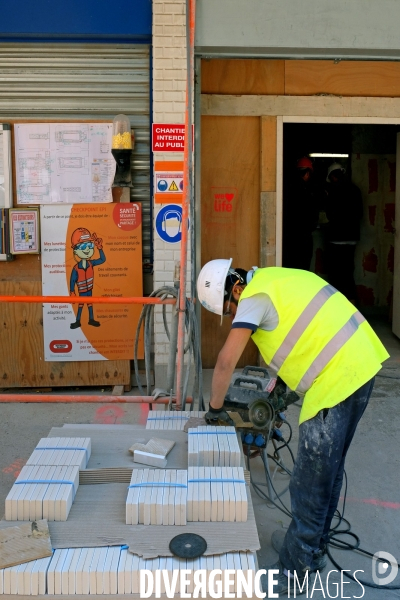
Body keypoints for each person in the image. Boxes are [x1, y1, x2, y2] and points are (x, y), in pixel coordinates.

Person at [197, 259, 389, 596]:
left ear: (235, 289)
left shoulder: (254, 296)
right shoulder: (277, 280)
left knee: (309, 482)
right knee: (328, 473)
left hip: (338, 378)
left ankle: (293, 572)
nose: (232, 318)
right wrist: (280, 394)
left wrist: (214, 411)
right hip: (362, 363)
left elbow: (226, 361)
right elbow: (303, 336)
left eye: (229, 311)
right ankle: (311, 549)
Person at [324, 163, 363, 303]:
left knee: (335, 275)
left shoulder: (332, 192)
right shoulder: (356, 190)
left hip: (336, 239)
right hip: (351, 239)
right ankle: (351, 305)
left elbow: (328, 215)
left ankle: (336, 306)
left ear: (333, 176)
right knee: (347, 273)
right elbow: (360, 214)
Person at [282, 157, 319, 271]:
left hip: (289, 238)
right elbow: (312, 214)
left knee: (291, 269)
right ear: (307, 173)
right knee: (303, 268)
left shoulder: (286, 187)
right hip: (303, 238)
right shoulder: (307, 191)